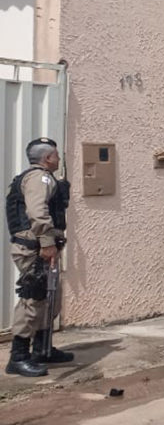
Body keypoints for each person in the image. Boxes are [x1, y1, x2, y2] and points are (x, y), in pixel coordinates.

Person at [4, 138, 73, 377]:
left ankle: (43, 350)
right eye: (56, 156)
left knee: (49, 299)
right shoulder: (38, 178)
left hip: (44, 247)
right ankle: (19, 357)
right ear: (47, 158)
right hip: (35, 248)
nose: (59, 159)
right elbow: (37, 211)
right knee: (33, 298)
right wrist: (46, 242)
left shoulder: (42, 178)